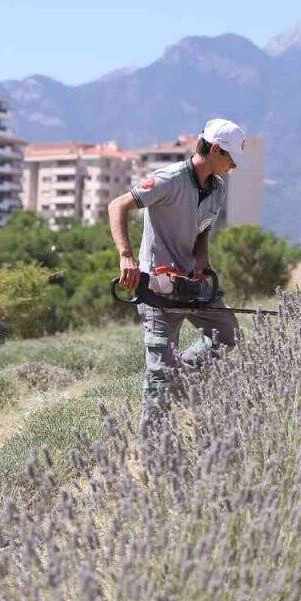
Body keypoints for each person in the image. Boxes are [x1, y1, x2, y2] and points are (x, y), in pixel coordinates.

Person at [106, 118, 246, 424]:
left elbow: (202, 231)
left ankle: (177, 378)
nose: (234, 165)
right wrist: (126, 257)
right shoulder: (169, 179)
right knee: (158, 374)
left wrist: (201, 260)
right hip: (158, 289)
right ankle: (152, 452)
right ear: (216, 150)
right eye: (231, 158)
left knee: (227, 334)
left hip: (195, 287)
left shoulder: (218, 189)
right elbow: (117, 206)